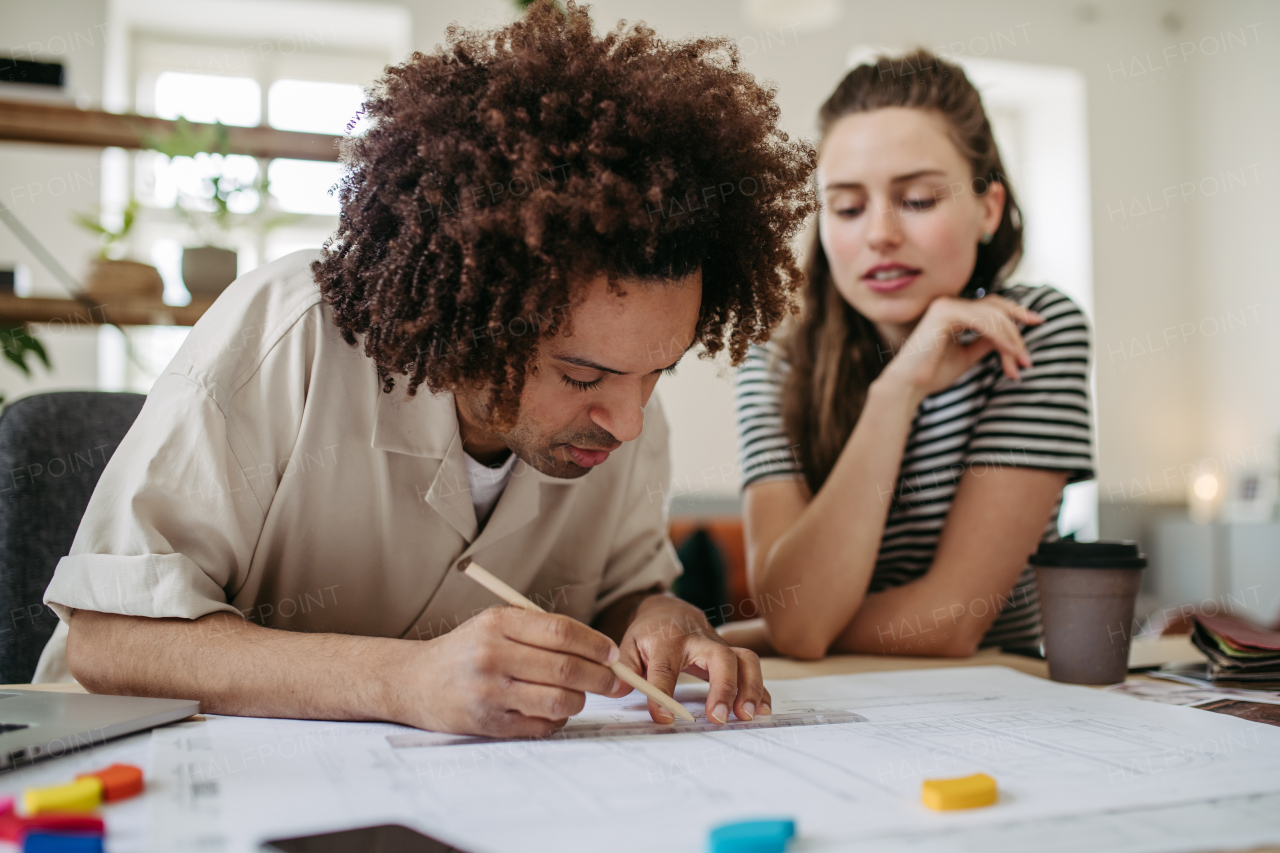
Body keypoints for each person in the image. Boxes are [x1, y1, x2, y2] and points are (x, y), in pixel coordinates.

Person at [34, 2, 816, 737]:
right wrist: (399, 679)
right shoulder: (290, 333)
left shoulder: (626, 401)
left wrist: (660, 620)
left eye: (658, 373)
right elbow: (109, 640)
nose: (630, 419)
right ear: (470, 318)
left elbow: (620, 595)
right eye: (580, 376)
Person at [725, 50, 1093, 660]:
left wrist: (780, 635)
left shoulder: (1034, 330)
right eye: (846, 207)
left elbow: (952, 621)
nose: (879, 234)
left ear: (987, 209)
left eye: (918, 199)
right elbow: (797, 612)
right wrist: (897, 391)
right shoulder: (776, 358)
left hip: (995, 711)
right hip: (826, 715)